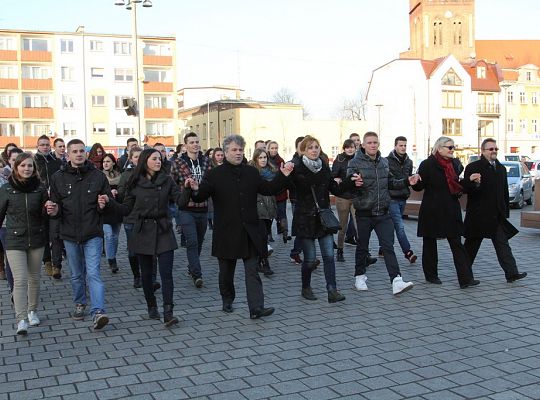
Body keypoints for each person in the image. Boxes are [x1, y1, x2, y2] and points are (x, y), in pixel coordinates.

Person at [186, 134, 293, 319]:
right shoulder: (215, 174)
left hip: (250, 230)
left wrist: (283, 177)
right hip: (226, 232)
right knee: (226, 272)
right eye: (234, 150)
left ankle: (256, 308)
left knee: (252, 271)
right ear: (225, 152)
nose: (238, 153)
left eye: (240, 150)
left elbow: (269, 189)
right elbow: (200, 197)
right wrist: (194, 189)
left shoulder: (251, 172)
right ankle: (227, 299)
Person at [114, 148, 190, 327]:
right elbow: (125, 209)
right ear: (145, 161)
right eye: (154, 159)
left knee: (166, 273)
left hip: (163, 229)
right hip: (142, 231)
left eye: (160, 159)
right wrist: (109, 202)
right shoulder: (134, 182)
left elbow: (180, 202)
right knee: (147, 274)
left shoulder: (167, 180)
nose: (159, 161)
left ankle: (168, 312)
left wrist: (187, 189)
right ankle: (151, 305)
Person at [47, 139, 113, 330]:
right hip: (69, 234)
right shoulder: (58, 177)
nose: (78, 154)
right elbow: (56, 206)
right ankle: (80, 303)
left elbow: (107, 204)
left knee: (93, 273)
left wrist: (104, 204)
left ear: (86, 153)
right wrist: (53, 209)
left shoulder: (98, 176)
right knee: (76, 275)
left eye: (81, 151)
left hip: (92, 232)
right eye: (74, 151)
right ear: (67, 154)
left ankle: (98, 311)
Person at [346, 131, 416, 295]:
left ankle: (396, 280)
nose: (372, 145)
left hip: (383, 212)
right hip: (364, 211)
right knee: (362, 246)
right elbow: (349, 179)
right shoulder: (355, 162)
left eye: (375, 142)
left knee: (388, 246)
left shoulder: (384, 162)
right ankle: (360, 276)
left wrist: (407, 181)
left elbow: (391, 182)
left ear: (378, 144)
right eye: (369, 143)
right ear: (363, 145)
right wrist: (353, 181)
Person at [412, 136, 479, 289]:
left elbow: (458, 184)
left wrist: (470, 181)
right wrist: (415, 181)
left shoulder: (455, 164)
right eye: (449, 147)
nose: (452, 150)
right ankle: (431, 275)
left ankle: (466, 279)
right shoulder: (428, 164)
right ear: (439, 148)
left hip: (451, 209)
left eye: (453, 147)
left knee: (457, 244)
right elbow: (420, 186)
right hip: (432, 210)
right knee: (430, 243)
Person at [288, 136, 346, 303]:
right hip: (305, 219)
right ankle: (306, 286)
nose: (314, 150)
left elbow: (335, 188)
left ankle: (332, 290)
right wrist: (285, 174)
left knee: (328, 255)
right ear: (303, 150)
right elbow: (286, 185)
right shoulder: (297, 168)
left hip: (323, 219)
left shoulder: (324, 167)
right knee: (310, 259)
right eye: (310, 147)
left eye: (316, 147)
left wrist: (350, 182)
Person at [462, 138, 527, 283]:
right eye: (490, 149)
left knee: (502, 244)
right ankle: (465, 276)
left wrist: (505, 212)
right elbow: (466, 188)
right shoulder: (473, 167)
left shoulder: (501, 168)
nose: (494, 151)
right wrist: (474, 183)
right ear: (483, 151)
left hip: (495, 215)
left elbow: (503, 192)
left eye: (496, 149)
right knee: (471, 246)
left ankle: (512, 273)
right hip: (478, 215)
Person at [0, 153, 48, 335]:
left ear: (34, 169)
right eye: (23, 166)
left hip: (36, 238)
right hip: (14, 240)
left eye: (30, 166)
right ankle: (21, 319)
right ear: (16, 168)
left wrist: (51, 210)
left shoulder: (40, 189)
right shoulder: (6, 189)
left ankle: (32, 310)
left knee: (34, 278)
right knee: (20, 279)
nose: (27, 169)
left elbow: (46, 215)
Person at [175, 133, 213, 288]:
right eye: (192, 142)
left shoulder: (206, 161)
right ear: (186, 145)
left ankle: (192, 267)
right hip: (186, 209)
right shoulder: (178, 162)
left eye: (197, 142)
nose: (195, 144)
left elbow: (212, 181)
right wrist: (181, 192)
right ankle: (197, 274)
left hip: (203, 207)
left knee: (199, 242)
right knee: (191, 241)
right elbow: (171, 183)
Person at [382, 136, 417, 263]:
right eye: (400, 145)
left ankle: (382, 247)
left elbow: (408, 178)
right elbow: (388, 181)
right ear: (395, 146)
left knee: (392, 224)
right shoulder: (386, 161)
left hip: (403, 197)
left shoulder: (409, 161)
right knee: (399, 226)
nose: (403, 148)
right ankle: (408, 252)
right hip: (391, 198)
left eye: (405, 145)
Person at [34, 135, 63, 278]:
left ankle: (57, 265)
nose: (45, 147)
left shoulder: (56, 162)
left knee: (56, 234)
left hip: (55, 201)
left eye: (47, 144)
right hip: (40, 202)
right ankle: (47, 261)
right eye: (42, 144)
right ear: (37, 146)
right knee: (44, 234)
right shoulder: (33, 162)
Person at [117, 146, 145, 288]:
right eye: (136, 157)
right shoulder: (126, 174)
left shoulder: (150, 172)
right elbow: (121, 193)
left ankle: (150, 277)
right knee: (133, 250)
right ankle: (137, 276)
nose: (139, 160)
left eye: (141, 157)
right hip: (131, 216)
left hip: (146, 216)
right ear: (131, 159)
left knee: (148, 249)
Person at [249, 148, 277, 277]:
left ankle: (259, 260)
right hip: (256, 206)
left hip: (269, 206)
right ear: (256, 159)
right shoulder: (252, 172)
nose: (263, 160)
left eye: (265, 157)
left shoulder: (272, 171)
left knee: (264, 235)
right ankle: (265, 263)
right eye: (260, 157)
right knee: (263, 235)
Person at [102, 153, 122, 274]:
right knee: (108, 235)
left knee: (115, 237)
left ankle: (112, 256)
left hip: (117, 209)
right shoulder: (99, 176)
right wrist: (109, 192)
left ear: (113, 163)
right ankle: (111, 260)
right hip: (104, 210)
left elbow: (125, 189)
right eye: (104, 161)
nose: (105, 163)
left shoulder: (120, 176)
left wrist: (118, 191)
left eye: (108, 161)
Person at [267, 141, 291, 242]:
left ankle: (285, 232)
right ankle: (269, 235)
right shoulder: (264, 159)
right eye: (272, 148)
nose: (274, 150)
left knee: (282, 213)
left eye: (276, 148)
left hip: (280, 192)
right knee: (268, 215)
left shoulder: (281, 161)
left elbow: (284, 177)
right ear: (268, 149)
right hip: (269, 192)